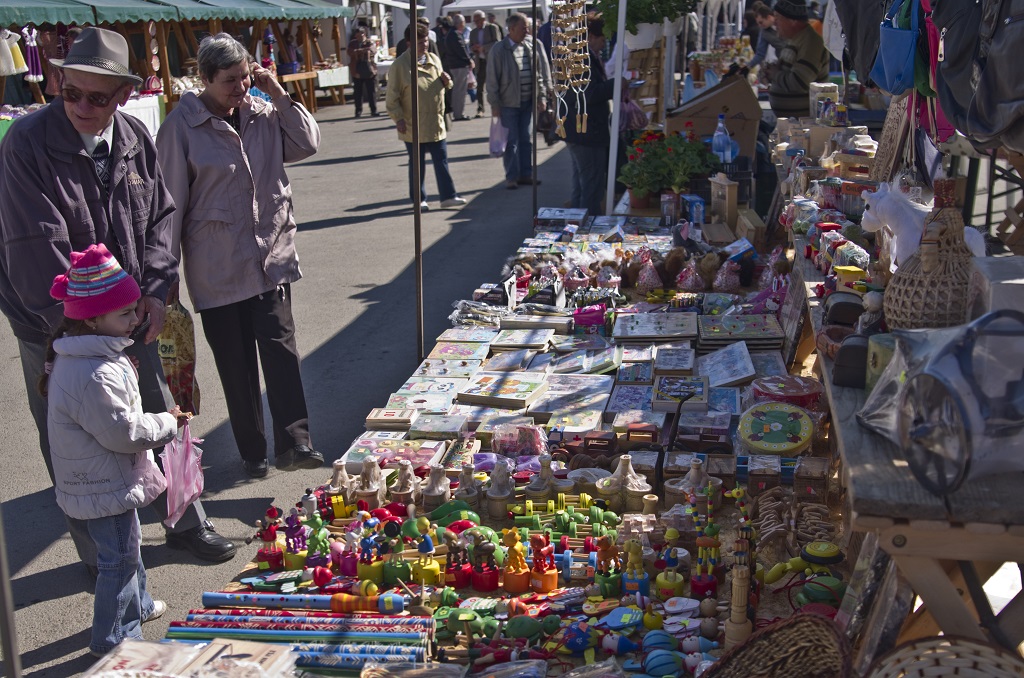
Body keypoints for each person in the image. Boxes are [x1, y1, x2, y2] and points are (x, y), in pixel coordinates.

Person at [0, 26, 235, 570]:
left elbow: (160, 218)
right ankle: (102, 554)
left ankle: (184, 521)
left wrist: (154, 294)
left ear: (123, 96)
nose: (81, 105)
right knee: (76, 438)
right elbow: (36, 246)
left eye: (96, 97)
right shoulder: (27, 144)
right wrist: (86, 330)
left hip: (131, 318)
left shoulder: (132, 135)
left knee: (160, 416)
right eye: (70, 91)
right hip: (53, 325)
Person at [156, 33, 324, 479]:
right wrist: (166, 271)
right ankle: (253, 451)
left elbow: (306, 144)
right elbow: (169, 203)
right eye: (230, 80)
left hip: (269, 259)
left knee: (282, 351)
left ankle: (296, 441)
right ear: (204, 79)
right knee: (236, 366)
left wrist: (279, 94)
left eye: (246, 77)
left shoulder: (263, 112)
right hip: (218, 268)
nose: (240, 87)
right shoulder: (181, 126)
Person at [43, 244, 178, 657]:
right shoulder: (94, 371)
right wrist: (169, 422)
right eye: (125, 314)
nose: (135, 320)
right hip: (102, 481)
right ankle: (113, 640)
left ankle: (137, 606)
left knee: (127, 546)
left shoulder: (90, 355)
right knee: (117, 559)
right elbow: (122, 432)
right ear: (93, 318)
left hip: (102, 477)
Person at [386, 23, 468, 211]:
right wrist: (398, 118)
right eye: (420, 42)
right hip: (412, 124)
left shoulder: (434, 59)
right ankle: (418, 199)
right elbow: (392, 98)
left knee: (442, 160)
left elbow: (442, 83)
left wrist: (447, 82)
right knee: (417, 164)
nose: (425, 45)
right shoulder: (399, 66)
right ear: (408, 43)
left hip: (435, 121)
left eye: (426, 41)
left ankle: (448, 196)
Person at [486, 13, 552, 190]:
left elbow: (538, 74)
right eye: (524, 28)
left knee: (526, 140)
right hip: (508, 104)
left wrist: (542, 97)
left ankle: (526, 174)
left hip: (528, 102)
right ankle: (511, 177)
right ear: (512, 29)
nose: (527, 31)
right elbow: (492, 80)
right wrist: (495, 104)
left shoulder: (530, 46)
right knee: (511, 141)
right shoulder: (499, 50)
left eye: (528, 27)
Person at [564, 14, 616, 216]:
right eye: (602, 40)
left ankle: (576, 226)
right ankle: (586, 230)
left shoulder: (580, 54)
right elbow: (590, 93)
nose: (603, 46)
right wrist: (616, 84)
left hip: (582, 129)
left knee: (583, 184)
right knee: (590, 186)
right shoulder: (580, 56)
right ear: (592, 36)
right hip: (586, 131)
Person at [767, 0, 829, 119]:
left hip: (805, 125)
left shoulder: (811, 42)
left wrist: (775, 75)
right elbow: (787, 73)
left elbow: (799, 83)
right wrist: (771, 73)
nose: (774, 23)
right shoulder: (795, 39)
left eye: (778, 18)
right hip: (794, 124)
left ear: (793, 20)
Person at [469, 10, 500, 117]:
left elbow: (497, 43)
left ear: (483, 19)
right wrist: (474, 48)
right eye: (475, 21)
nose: (477, 23)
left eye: (478, 20)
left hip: (491, 60)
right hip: (480, 61)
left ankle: (496, 107)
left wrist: (484, 48)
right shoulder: (473, 32)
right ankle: (480, 108)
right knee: (479, 87)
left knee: (495, 85)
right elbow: (470, 46)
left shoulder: (492, 28)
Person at [443, 14, 474, 121]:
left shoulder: (449, 34)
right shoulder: (455, 34)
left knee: (457, 90)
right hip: (459, 65)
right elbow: (461, 50)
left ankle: (457, 112)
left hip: (453, 65)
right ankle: (459, 113)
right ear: (460, 23)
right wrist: (469, 60)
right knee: (460, 91)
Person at [347, 27, 379, 117]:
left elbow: (373, 50)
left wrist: (361, 51)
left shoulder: (370, 42)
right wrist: (361, 51)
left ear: (363, 34)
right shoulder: (353, 43)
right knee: (357, 92)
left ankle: (374, 110)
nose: (358, 36)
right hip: (356, 70)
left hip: (369, 69)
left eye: (359, 34)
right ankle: (358, 111)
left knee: (371, 91)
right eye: (356, 35)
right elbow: (349, 52)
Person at [748, 2, 785, 70]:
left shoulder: (784, 21)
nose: (759, 26)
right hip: (784, 63)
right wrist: (748, 67)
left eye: (761, 22)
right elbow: (760, 54)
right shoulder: (764, 32)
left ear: (769, 17)